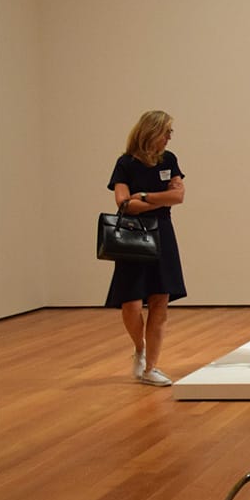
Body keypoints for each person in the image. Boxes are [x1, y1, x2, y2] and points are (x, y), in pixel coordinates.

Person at [105, 110, 186, 386]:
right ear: (151, 132)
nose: (169, 137)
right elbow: (124, 204)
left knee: (160, 300)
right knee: (130, 303)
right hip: (133, 235)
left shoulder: (169, 160)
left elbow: (179, 195)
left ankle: (152, 366)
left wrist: (144, 197)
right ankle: (139, 348)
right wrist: (159, 200)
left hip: (162, 233)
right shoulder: (125, 163)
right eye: (166, 132)